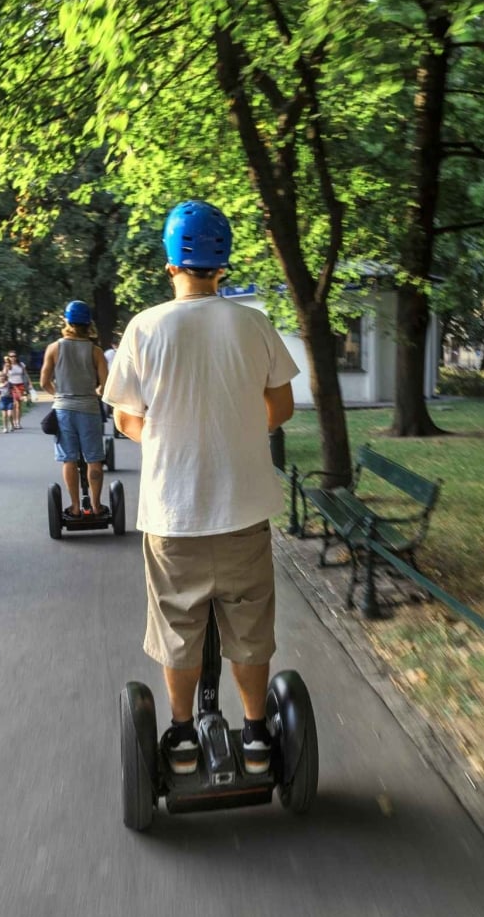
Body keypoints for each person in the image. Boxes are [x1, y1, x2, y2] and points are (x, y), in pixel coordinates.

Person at [102, 199, 297, 777]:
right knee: (250, 626)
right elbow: (280, 405)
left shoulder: (144, 327)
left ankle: (182, 736)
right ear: (223, 267)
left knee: (178, 628)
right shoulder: (253, 323)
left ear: (170, 266)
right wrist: (234, 430)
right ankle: (258, 736)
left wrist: (166, 436)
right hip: (243, 510)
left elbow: (124, 418)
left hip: (173, 514)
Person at [41, 302, 109, 518]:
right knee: (94, 459)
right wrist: (93, 392)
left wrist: (59, 396)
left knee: (69, 459)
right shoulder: (96, 351)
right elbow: (105, 384)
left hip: (64, 410)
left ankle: (75, 507)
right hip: (89, 409)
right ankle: (97, 506)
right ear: (88, 323)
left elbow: (44, 381)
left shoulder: (54, 348)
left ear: (67, 321)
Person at [5, 352, 31, 429]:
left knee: (19, 405)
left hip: (20, 385)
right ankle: (12, 422)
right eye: (11, 356)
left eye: (14, 356)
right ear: (9, 357)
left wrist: (30, 383)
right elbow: (4, 375)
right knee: (13, 404)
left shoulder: (21, 365)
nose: (13, 358)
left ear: (16, 357)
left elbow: (26, 374)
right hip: (11, 386)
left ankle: (18, 422)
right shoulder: (7, 365)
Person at [0, 367, 16, 432]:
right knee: (4, 415)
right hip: (3, 401)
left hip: (10, 400)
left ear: (5, 377)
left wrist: (17, 398)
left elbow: (14, 391)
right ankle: (5, 427)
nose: (1, 377)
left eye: (3, 376)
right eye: (0, 376)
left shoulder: (9, 384)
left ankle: (12, 425)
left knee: (9, 415)